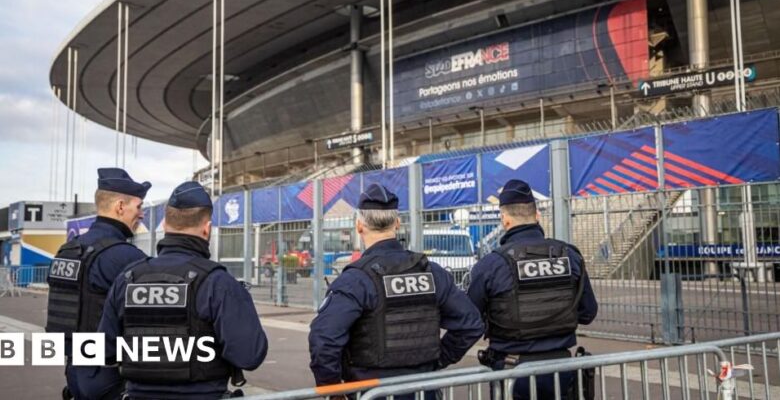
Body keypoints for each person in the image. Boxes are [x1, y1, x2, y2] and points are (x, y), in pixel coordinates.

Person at [309, 184, 484, 399]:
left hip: (372, 391)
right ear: (398, 223)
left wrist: (334, 391)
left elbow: (324, 339)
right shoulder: (432, 273)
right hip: (423, 391)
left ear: (359, 226)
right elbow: (471, 324)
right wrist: (438, 360)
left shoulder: (355, 280)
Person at [97, 181, 268, 399]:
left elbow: (105, 350)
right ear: (207, 229)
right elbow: (250, 355)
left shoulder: (127, 278)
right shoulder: (218, 283)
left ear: (166, 226)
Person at [466, 179, 598, 400]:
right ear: (537, 216)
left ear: (504, 219)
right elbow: (588, 313)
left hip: (512, 373)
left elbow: (469, 321)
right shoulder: (570, 256)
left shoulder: (491, 265)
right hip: (561, 371)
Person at [46, 168, 151, 400]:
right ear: (120, 207)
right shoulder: (124, 257)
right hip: (112, 376)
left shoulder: (68, 251)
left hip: (75, 373)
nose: (141, 214)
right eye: (139, 207)